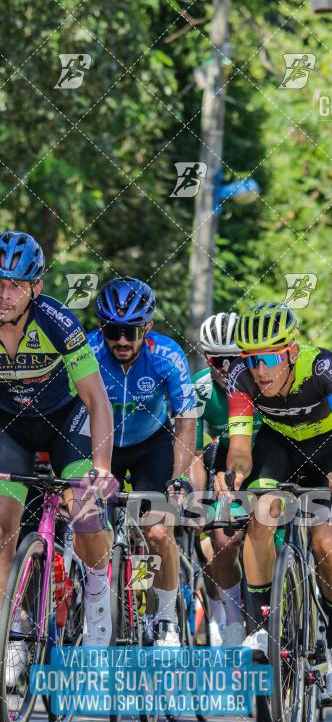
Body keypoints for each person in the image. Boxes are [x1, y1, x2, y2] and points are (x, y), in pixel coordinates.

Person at [215, 302, 332, 699]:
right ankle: (262, 627)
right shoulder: (240, 378)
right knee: (261, 516)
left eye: (267, 359)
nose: (259, 371)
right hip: (278, 446)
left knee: (327, 541)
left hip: (328, 448)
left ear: (291, 352)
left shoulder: (322, 368)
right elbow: (242, 448)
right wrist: (234, 473)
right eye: (251, 360)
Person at [0, 231, 115, 674]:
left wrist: (102, 467)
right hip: (9, 429)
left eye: (15, 285)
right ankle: (13, 637)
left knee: (84, 507)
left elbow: (96, 399)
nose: (4, 294)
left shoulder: (57, 321)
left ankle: (99, 590)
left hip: (63, 421)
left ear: (36, 288)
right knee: (3, 528)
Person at [89, 277, 196, 648]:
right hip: (103, 446)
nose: (121, 340)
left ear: (147, 327)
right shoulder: (87, 350)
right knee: (88, 527)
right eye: (112, 330)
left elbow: (185, 421)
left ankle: (165, 618)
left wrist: (179, 478)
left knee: (157, 531)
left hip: (152, 444)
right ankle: (95, 615)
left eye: (130, 331)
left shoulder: (167, 356)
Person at [190, 313, 262, 646]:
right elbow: (190, 451)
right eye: (216, 359)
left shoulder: (262, 381)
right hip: (226, 468)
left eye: (233, 358)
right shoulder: (201, 389)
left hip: (267, 461)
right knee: (221, 538)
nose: (224, 366)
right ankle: (233, 621)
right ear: (207, 358)